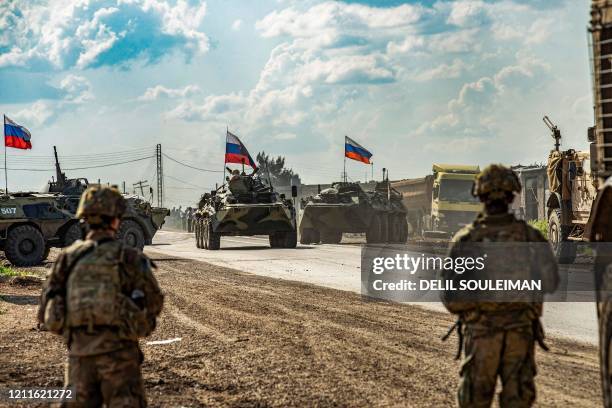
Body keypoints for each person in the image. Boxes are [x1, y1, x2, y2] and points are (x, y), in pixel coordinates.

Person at [441, 164, 559, 408]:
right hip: (520, 334)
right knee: (518, 400)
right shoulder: (530, 238)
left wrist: (479, 307)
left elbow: (451, 298)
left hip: (481, 335)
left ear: (480, 196)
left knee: (474, 400)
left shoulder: (466, 240)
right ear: (512, 195)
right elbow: (551, 281)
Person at [38, 186, 164, 407]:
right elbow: (153, 304)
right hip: (120, 358)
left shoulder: (66, 259)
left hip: (79, 357)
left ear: (84, 219)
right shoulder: (129, 258)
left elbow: (47, 313)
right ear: (117, 219)